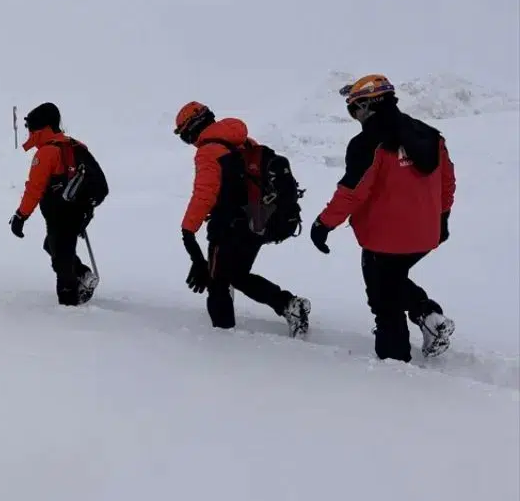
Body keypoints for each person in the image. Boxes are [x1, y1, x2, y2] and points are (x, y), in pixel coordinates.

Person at [309, 74, 457, 361]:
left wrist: (323, 224)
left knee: (383, 298)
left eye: (354, 109)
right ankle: (429, 316)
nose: (354, 116)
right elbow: (447, 183)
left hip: (383, 239)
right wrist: (442, 219)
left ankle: (395, 367)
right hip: (426, 235)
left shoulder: (368, 144)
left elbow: (352, 192)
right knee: (391, 279)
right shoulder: (430, 136)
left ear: (369, 105)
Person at [174, 101, 310, 335]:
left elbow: (204, 194)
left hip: (227, 228)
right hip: (254, 223)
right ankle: (288, 304)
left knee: (218, 283)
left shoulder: (208, 151)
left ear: (191, 129)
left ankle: (223, 343)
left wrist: (188, 230)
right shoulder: (244, 143)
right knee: (237, 275)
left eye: (185, 137)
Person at [8, 103, 107, 306]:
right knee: (54, 246)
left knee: (61, 259)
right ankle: (83, 274)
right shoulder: (75, 145)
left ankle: (69, 306)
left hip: (60, 214)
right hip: (80, 212)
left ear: (39, 128)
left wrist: (21, 216)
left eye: (30, 128)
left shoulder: (47, 152)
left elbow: (34, 189)